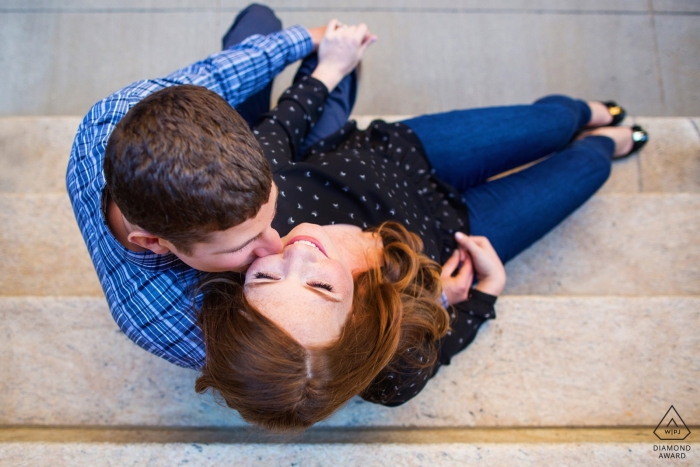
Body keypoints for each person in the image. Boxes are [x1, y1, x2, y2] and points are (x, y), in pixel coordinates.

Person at [192, 39, 649, 430]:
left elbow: (277, 134)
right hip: (459, 237)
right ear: (362, 318)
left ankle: (588, 114)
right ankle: (607, 141)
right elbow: (444, 347)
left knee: (554, 121)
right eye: (321, 286)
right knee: (588, 167)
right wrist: (481, 292)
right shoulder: (391, 373)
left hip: (402, 157)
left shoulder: (254, 216)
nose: (296, 256)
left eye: (265, 279)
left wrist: (330, 69)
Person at [66, 4, 374, 368]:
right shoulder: (172, 321)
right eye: (244, 242)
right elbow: (290, 369)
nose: (278, 243)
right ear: (154, 242)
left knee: (259, 19)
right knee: (341, 80)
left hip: (258, 144)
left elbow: (216, 76)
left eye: (270, 213)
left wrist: (311, 37)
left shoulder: (116, 116)